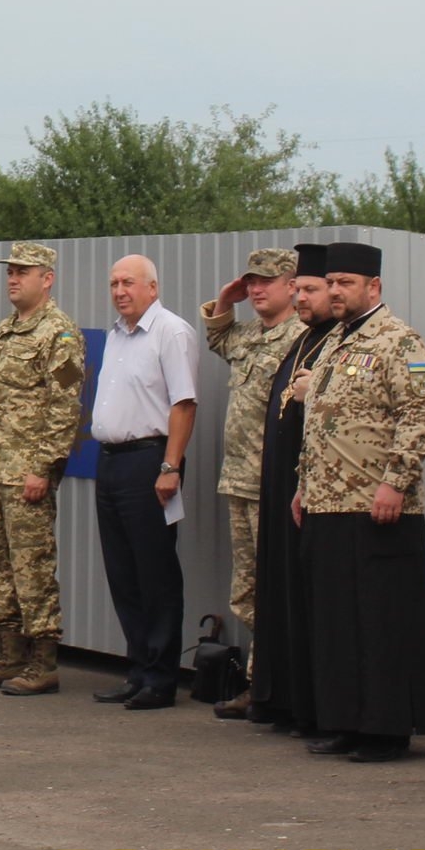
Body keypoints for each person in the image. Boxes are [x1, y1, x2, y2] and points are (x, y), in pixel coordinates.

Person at [293, 240, 425, 763]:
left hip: (375, 504)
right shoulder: (333, 342)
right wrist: (302, 485)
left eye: (346, 283)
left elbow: (418, 416)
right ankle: (345, 720)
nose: (335, 291)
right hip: (327, 503)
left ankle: (385, 728)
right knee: (336, 621)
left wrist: (395, 483)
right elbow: (320, 424)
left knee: (379, 622)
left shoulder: (399, 341)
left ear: (373, 286)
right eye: (331, 282)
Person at [0, 243, 87, 695]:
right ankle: (10, 655)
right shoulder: (6, 330)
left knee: (32, 570)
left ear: (46, 278)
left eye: (23, 272)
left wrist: (43, 467)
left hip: (24, 474)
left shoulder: (59, 333)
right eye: (10, 271)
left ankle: (43, 663)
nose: (13, 279)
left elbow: (64, 407)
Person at [197, 247, 302, 717]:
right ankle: (262, 683)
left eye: (266, 281)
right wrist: (226, 299)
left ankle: (274, 686)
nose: (256, 289)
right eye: (251, 282)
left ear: (292, 286)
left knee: (275, 586)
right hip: (239, 479)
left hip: (273, 484)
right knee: (248, 587)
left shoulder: (302, 338)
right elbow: (218, 337)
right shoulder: (249, 335)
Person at [91, 255, 199, 708]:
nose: (120, 291)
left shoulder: (171, 332)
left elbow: (184, 403)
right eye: (114, 283)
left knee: (155, 573)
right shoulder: (116, 334)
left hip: (150, 461)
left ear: (152, 288)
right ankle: (137, 669)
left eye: (129, 283)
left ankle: (160, 677)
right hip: (110, 461)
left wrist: (170, 467)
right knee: (123, 573)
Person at [249, 245, 339, 731]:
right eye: (299, 289)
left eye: (311, 289)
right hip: (280, 480)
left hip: (316, 486)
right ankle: (280, 696)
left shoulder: (337, 343)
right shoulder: (302, 339)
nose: (302, 298)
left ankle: (312, 705)